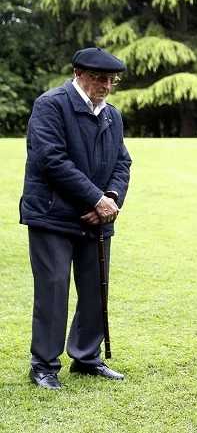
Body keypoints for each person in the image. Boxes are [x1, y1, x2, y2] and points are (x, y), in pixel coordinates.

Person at [20, 47, 131, 389]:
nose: (106, 86)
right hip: (52, 215)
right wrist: (96, 198)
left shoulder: (111, 115)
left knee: (95, 289)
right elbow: (52, 160)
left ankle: (86, 358)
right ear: (79, 74)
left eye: (111, 80)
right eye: (99, 78)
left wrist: (110, 198)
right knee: (53, 290)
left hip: (96, 217)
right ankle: (44, 365)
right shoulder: (51, 105)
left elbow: (122, 162)